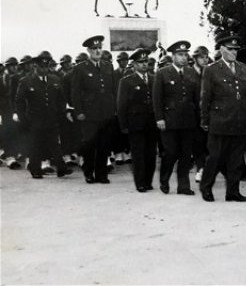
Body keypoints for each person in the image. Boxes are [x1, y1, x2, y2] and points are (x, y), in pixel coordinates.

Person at [200, 32, 246, 202]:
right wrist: (205, 120)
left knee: (236, 160)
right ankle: (206, 188)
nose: (234, 52)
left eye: (236, 49)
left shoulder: (244, 68)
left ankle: (233, 192)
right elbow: (205, 97)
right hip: (220, 122)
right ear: (222, 49)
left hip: (239, 121)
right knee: (214, 158)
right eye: (230, 49)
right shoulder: (211, 70)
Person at [15, 51, 72, 179]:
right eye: (42, 67)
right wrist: (23, 118)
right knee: (35, 145)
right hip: (34, 120)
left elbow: (61, 99)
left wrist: (63, 112)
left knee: (55, 144)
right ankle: (35, 170)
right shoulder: (26, 81)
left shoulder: (55, 79)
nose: (44, 69)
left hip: (52, 118)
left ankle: (61, 168)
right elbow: (19, 101)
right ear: (35, 66)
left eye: (46, 66)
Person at [153, 40, 199, 195]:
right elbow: (157, 99)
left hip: (187, 121)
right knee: (170, 153)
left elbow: (197, 97)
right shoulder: (162, 73)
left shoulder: (192, 73)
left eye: (185, 55)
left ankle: (183, 186)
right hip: (169, 121)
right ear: (173, 56)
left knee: (186, 155)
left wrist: (198, 118)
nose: (183, 58)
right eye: (180, 54)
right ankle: (164, 181)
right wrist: (159, 118)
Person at [71, 35, 117, 184]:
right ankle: (88, 173)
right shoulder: (80, 68)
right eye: (94, 49)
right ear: (89, 51)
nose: (97, 51)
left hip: (106, 112)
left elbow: (113, 90)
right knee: (90, 145)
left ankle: (102, 174)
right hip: (89, 114)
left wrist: (114, 109)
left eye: (99, 48)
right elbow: (75, 92)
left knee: (104, 145)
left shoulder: (108, 66)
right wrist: (79, 112)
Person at [117, 49, 157, 192]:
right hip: (136, 123)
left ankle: (148, 181)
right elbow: (121, 105)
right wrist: (123, 125)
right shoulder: (127, 81)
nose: (144, 65)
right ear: (134, 64)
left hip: (152, 123)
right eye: (140, 62)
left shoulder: (154, 79)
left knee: (151, 154)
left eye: (146, 61)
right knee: (138, 154)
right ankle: (140, 182)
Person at [191, 45, 210, 183]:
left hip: (209, 113)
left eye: (206, 57)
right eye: (201, 57)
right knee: (198, 143)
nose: (204, 60)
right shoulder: (188, 73)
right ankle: (200, 169)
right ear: (195, 59)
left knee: (210, 142)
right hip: (194, 114)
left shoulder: (211, 72)